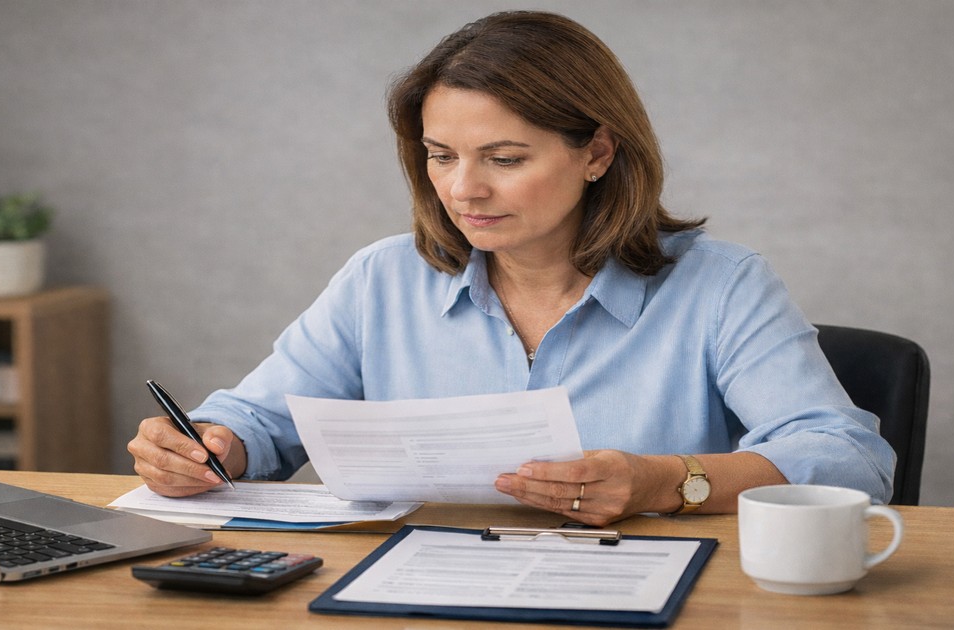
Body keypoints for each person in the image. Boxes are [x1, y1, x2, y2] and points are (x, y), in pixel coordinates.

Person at [128, 10, 895, 526]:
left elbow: (849, 460)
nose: (464, 188)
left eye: (504, 158)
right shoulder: (382, 279)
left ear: (597, 151)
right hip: (421, 590)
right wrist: (210, 444)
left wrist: (668, 479)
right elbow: (260, 422)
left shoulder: (720, 285)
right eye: (440, 156)